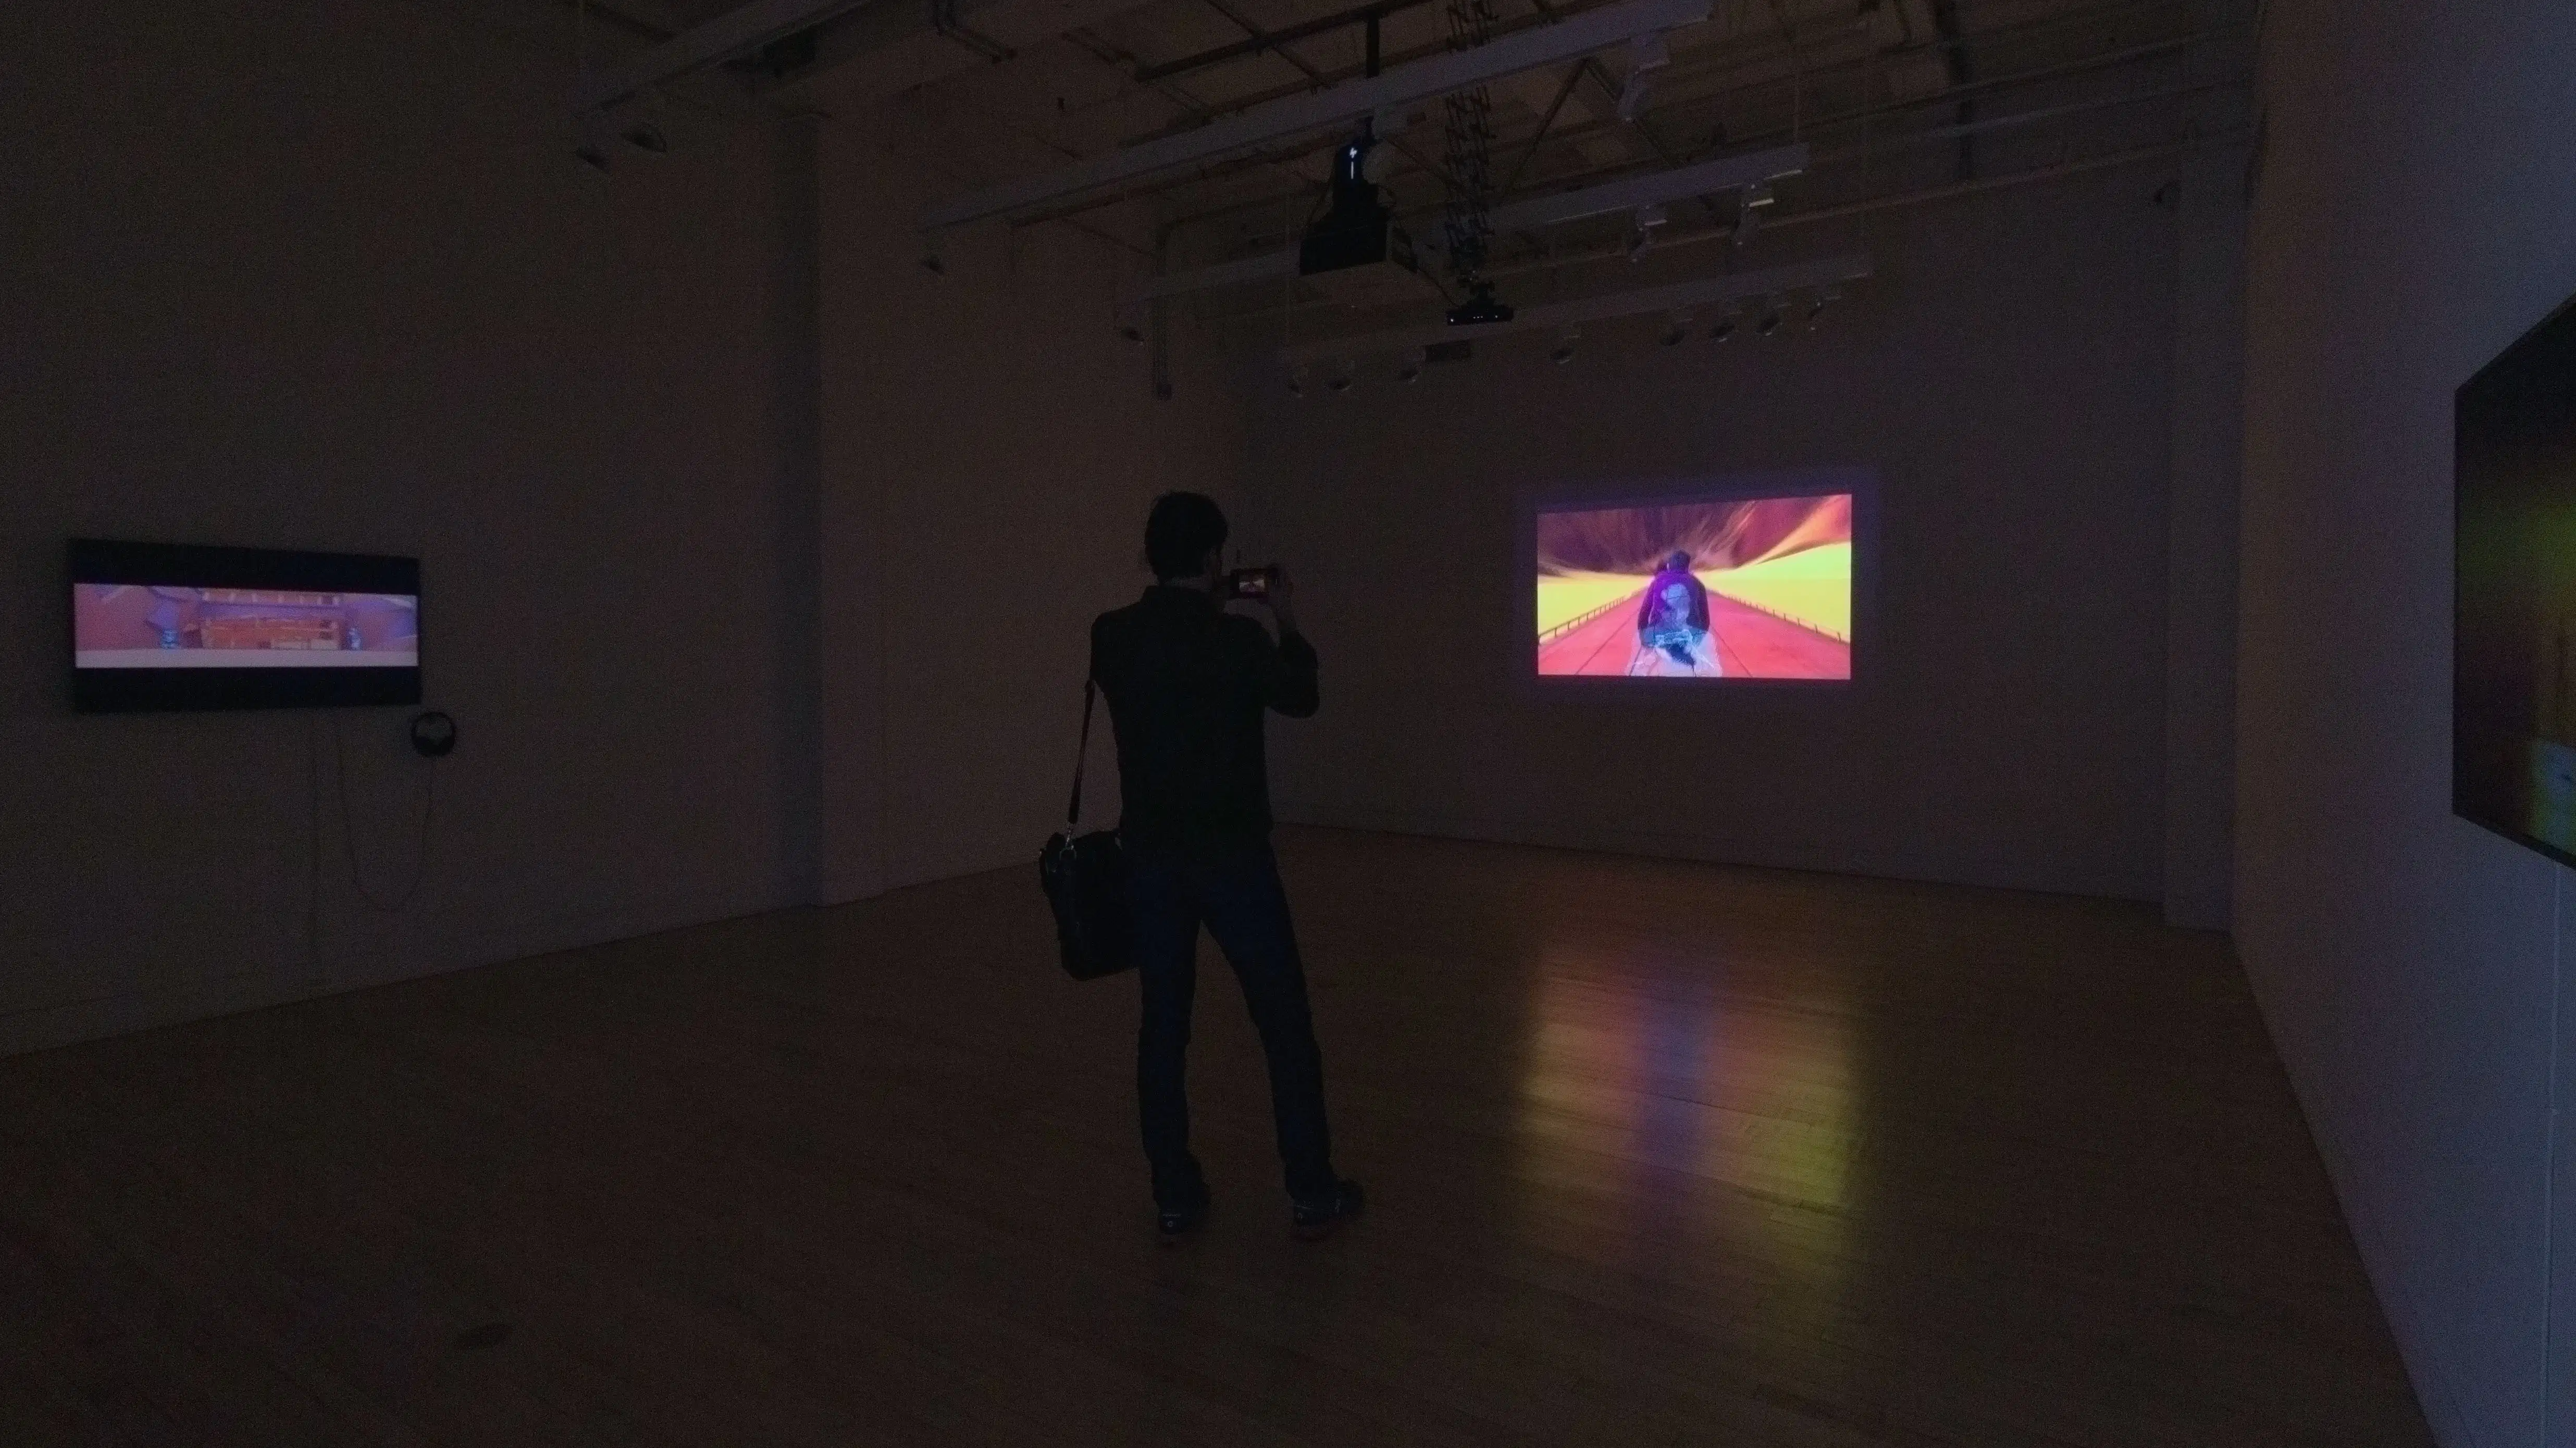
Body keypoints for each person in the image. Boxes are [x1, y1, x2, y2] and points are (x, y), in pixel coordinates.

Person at [1088, 492, 1365, 1243]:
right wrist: (1287, 620)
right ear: (1214, 560)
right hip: (1235, 860)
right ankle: (1310, 1186)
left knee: (1163, 1029)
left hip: (1151, 862)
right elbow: (1302, 696)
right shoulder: (1239, 643)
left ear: (1151, 555)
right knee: (1284, 1026)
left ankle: (1174, 1193)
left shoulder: (1111, 637)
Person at [1634, 550, 1718, 675]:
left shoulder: (1658, 581)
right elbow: (1705, 618)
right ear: (1687, 566)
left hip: (1660, 636)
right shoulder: (1698, 584)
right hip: (1688, 637)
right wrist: (1697, 639)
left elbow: (1645, 611)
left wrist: (1644, 637)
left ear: (1670, 565)